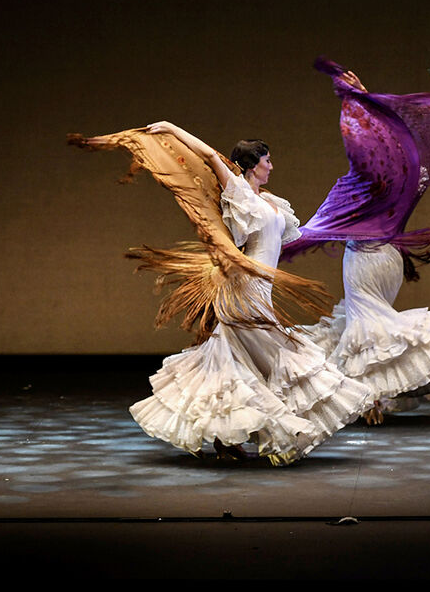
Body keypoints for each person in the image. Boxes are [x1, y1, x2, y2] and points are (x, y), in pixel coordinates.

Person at [70, 122, 373, 465]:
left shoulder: (270, 202)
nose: (272, 166)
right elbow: (209, 155)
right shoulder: (238, 191)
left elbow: (286, 239)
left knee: (236, 360)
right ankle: (269, 430)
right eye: (267, 160)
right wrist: (171, 128)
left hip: (261, 287)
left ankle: (228, 435)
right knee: (269, 355)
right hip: (244, 288)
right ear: (251, 164)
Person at [282, 59, 430, 423]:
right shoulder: (398, 188)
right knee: (370, 323)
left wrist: (358, 103)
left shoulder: (358, 193)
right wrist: (364, 100)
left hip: (365, 259)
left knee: (366, 327)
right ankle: (374, 397)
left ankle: (368, 400)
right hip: (389, 257)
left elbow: (369, 152)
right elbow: (394, 143)